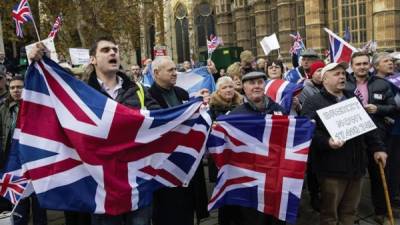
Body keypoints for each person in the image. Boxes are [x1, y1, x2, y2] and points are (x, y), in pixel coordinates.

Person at [28, 36, 160, 225]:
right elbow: (51, 104)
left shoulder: (138, 89)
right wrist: (41, 63)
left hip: (137, 181)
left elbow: (159, 120)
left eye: (115, 49)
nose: (113, 52)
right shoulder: (81, 93)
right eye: (106, 50)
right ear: (93, 59)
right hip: (101, 186)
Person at [301, 62, 387, 225]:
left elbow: (366, 126)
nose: (342, 77)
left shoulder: (352, 97)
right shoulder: (313, 102)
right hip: (331, 170)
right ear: (324, 79)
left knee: (350, 211)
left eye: (343, 73)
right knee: (329, 214)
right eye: (336, 74)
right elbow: (308, 132)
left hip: (356, 166)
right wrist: (327, 142)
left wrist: (378, 148)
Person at [218, 71, 285, 225]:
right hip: (249, 181)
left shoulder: (279, 110)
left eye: (259, 82)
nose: (256, 86)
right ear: (244, 88)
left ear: (265, 85)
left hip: (273, 179)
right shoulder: (235, 115)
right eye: (251, 83)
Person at [148, 56, 209, 225]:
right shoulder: (148, 96)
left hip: (186, 161)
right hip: (164, 165)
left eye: (175, 69)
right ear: (156, 73)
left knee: (187, 209)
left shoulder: (182, 93)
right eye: (171, 70)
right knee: (167, 211)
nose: (175, 73)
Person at [345, 52, 396, 224]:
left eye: (365, 63)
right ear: (352, 66)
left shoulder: (382, 83)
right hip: (353, 137)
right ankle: (351, 214)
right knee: (353, 178)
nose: (362, 67)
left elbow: (393, 107)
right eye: (358, 64)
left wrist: (378, 109)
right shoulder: (344, 84)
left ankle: (380, 211)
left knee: (379, 175)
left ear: (370, 65)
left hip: (377, 135)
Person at [0, 76, 48, 225]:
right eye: (12, 87)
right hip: (14, 161)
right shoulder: (3, 109)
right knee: (19, 202)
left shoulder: (38, 106)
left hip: (36, 160)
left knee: (39, 202)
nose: (16, 90)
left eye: (19, 87)